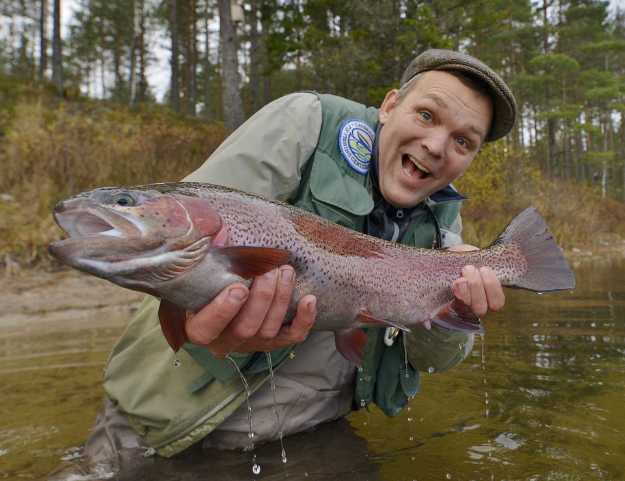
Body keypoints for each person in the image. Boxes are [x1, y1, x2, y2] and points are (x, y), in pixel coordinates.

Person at [72, 49, 517, 467]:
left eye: (463, 142)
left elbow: (433, 361)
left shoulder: (444, 229)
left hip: (311, 439)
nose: (437, 146)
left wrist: (457, 305)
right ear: (389, 106)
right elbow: (191, 230)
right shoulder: (305, 122)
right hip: (165, 424)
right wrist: (197, 319)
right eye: (426, 115)